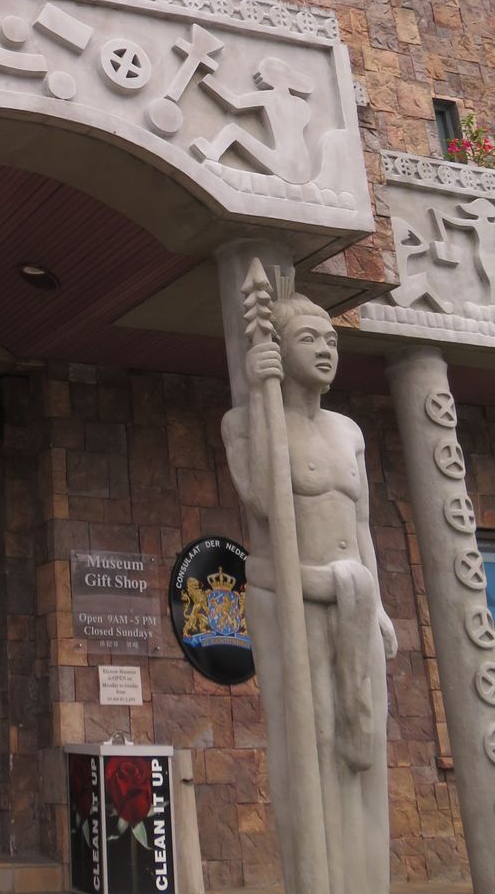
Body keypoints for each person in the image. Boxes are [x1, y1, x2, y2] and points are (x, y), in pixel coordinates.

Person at [222, 292, 398, 894]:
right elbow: (263, 501)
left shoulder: (349, 431)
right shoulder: (245, 421)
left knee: (361, 746)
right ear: (277, 349)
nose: (326, 350)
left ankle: (365, 880)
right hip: (289, 598)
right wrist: (260, 399)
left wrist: (379, 607)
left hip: (354, 600)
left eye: (332, 341)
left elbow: (362, 525)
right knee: (309, 742)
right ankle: (316, 880)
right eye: (309, 339)